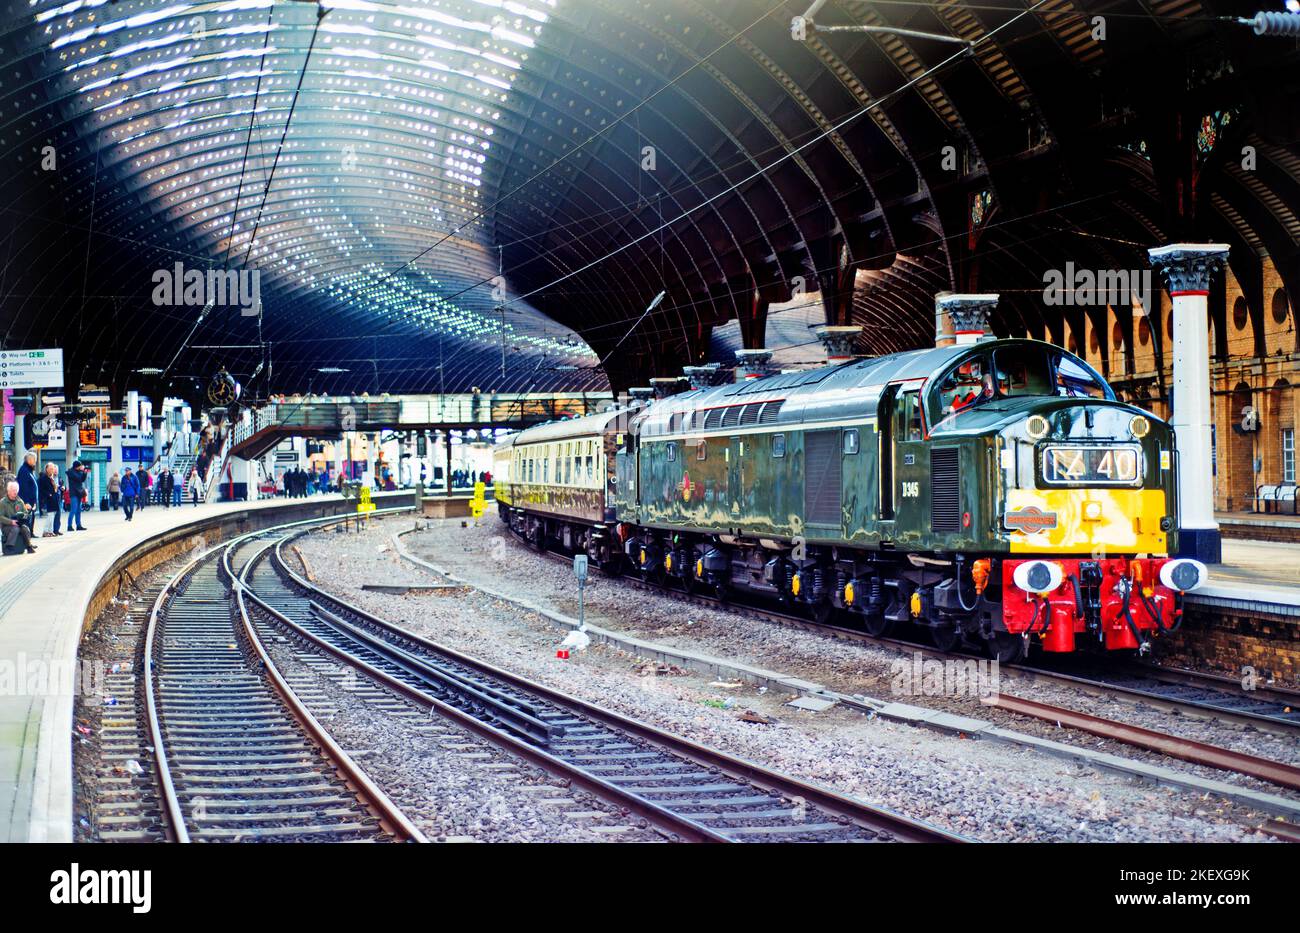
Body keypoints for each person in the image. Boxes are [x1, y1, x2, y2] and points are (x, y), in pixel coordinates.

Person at [1, 481, 37, 554]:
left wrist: (26, 514)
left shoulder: (20, 501)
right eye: (13, 490)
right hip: (6, 525)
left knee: (25, 528)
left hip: (18, 523)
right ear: (8, 491)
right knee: (15, 528)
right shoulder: (3, 502)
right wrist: (11, 522)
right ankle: (9, 546)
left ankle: (29, 546)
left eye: (16, 490)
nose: (15, 492)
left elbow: (26, 514)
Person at [38, 463, 61, 537]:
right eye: (50, 469)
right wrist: (49, 494)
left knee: (52, 516)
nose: (52, 470)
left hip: (53, 499)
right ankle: (45, 531)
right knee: (50, 516)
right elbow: (41, 489)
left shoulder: (51, 477)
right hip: (48, 499)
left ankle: (50, 531)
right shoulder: (43, 478)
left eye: (53, 469)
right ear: (46, 469)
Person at [65, 460, 88, 531]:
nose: (81, 467)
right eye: (80, 466)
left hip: (79, 493)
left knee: (79, 510)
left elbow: (82, 480)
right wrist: (82, 471)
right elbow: (78, 478)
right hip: (74, 493)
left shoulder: (79, 471)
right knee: (73, 510)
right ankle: (69, 526)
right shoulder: (71, 472)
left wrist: (84, 472)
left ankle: (78, 525)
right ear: (76, 466)